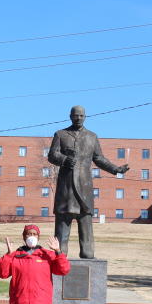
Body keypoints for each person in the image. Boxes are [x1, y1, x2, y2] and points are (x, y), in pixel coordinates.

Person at [48, 105, 129, 259]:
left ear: (85, 117)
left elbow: (99, 159)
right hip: (66, 190)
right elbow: (52, 155)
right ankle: (59, 260)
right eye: (75, 115)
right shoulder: (60, 134)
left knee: (87, 237)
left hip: (85, 190)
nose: (78, 118)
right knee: (61, 236)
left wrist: (115, 169)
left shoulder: (92, 137)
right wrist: (64, 160)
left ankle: (87, 256)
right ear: (70, 116)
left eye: (81, 116)